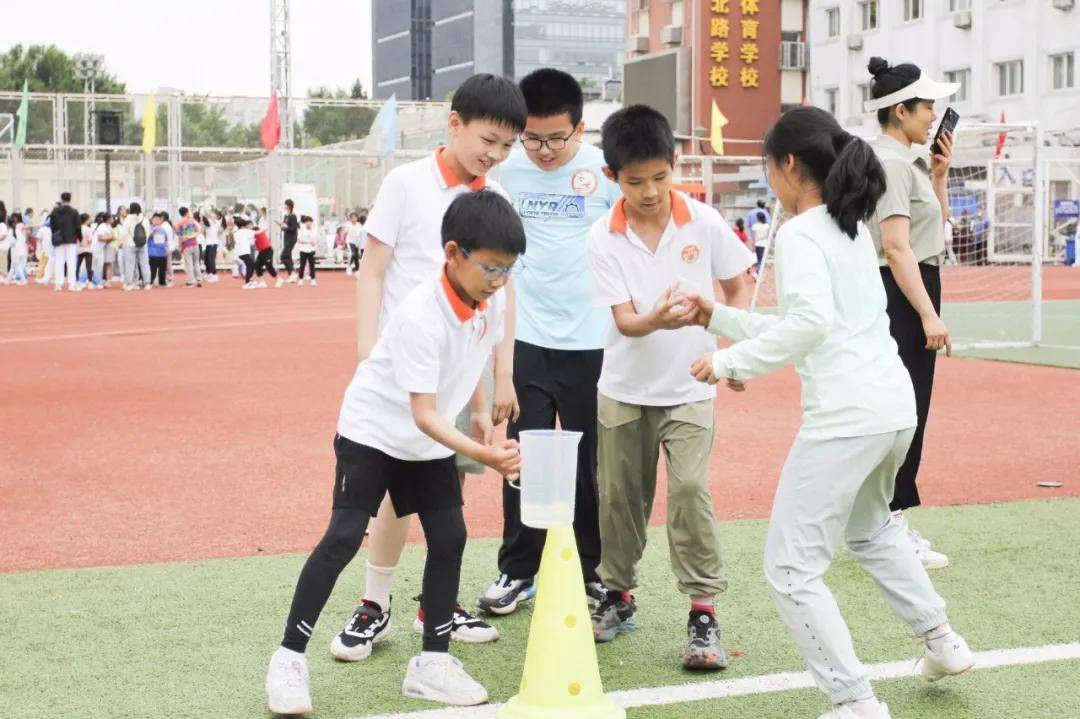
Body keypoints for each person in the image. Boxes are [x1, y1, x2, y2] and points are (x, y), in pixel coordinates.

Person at [685, 105, 973, 719]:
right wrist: (716, 316)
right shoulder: (848, 228)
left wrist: (731, 363)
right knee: (871, 529)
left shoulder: (799, 233)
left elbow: (809, 326)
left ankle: (855, 701)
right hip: (891, 408)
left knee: (790, 570)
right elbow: (809, 324)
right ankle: (942, 643)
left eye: (768, 168)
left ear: (788, 165)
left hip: (847, 417)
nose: (768, 181)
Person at [265, 191, 526, 713]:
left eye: (509, 269)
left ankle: (431, 664)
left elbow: (475, 356)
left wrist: (486, 404)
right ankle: (289, 659)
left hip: (423, 440)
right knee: (342, 536)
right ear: (453, 253)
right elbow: (425, 414)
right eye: (491, 267)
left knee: (449, 536)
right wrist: (484, 452)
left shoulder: (487, 299)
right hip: (374, 431)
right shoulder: (419, 317)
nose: (500, 279)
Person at [330, 73, 526, 664]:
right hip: (403, 371)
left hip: (462, 370)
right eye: (487, 139)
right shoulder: (406, 184)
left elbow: (503, 294)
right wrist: (368, 353)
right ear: (455, 123)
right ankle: (374, 603)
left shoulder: (496, 201)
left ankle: (433, 607)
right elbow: (373, 271)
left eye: (506, 146)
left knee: (448, 493)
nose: (493, 154)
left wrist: (502, 376)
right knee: (394, 495)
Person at [585, 105, 754, 670]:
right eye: (636, 181)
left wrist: (732, 353)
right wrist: (657, 318)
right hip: (624, 390)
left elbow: (737, 284)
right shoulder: (601, 238)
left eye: (660, 176)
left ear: (674, 165)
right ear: (613, 178)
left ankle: (702, 612)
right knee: (618, 500)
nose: (651, 190)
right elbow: (627, 322)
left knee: (688, 491)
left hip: (692, 386)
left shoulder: (704, 222)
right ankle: (618, 596)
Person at [477, 68, 620, 616]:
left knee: (591, 466)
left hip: (594, 342)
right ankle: (518, 570)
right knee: (525, 460)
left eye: (556, 138)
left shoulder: (604, 174)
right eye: (532, 138)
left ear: (580, 129)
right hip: (526, 340)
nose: (542, 150)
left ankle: (593, 573)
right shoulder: (506, 171)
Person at [863, 56, 958, 570]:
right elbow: (897, 248)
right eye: (926, 108)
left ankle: (882, 518)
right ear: (900, 111)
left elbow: (930, 230)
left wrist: (939, 176)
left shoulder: (907, 161)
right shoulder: (894, 163)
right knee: (907, 409)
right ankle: (891, 521)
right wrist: (928, 315)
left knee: (903, 407)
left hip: (907, 286)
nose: (932, 117)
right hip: (903, 292)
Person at [48, 192, 81, 292]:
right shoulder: (74, 211)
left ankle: (58, 284)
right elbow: (78, 226)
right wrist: (79, 237)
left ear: (61, 199)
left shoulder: (55, 211)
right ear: (70, 199)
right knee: (71, 261)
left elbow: (52, 224)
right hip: (71, 238)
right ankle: (71, 284)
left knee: (59, 261)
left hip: (59, 239)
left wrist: (55, 234)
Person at [122, 202, 152, 291]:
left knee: (130, 265)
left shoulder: (128, 219)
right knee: (145, 264)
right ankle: (147, 283)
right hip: (143, 244)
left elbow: (124, 233)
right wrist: (145, 241)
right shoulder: (144, 219)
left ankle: (130, 283)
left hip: (130, 244)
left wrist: (122, 240)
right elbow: (148, 231)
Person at [175, 207, 203, 288]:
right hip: (195, 243)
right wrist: (193, 236)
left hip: (186, 245)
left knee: (189, 263)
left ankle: (190, 281)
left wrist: (180, 246)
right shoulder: (192, 221)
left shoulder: (179, 224)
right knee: (196, 262)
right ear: (187, 213)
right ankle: (199, 279)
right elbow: (199, 230)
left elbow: (179, 236)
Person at [252, 222, 283, 288]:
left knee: (268, 266)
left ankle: (278, 279)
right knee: (257, 265)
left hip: (268, 251)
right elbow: (257, 247)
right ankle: (262, 282)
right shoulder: (257, 235)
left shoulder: (259, 234)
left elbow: (257, 246)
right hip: (262, 252)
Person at [277, 199, 300, 283]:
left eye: (285, 204)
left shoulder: (293, 216)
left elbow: (293, 228)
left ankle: (293, 272)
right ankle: (291, 274)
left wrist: (285, 227)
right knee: (288, 256)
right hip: (286, 237)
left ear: (289, 206)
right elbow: (284, 227)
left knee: (283, 256)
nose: (284, 206)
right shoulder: (286, 216)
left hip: (292, 238)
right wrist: (280, 225)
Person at [147, 213, 170, 288]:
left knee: (162, 270)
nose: (156, 221)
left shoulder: (163, 230)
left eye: (158, 220)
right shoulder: (149, 228)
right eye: (155, 219)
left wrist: (167, 249)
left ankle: (162, 282)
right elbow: (146, 238)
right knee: (152, 270)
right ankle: (150, 282)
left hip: (162, 253)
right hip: (153, 253)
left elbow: (166, 241)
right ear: (152, 220)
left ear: (161, 221)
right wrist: (152, 232)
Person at [92, 212, 115, 288]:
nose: (113, 219)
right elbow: (100, 238)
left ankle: (98, 281)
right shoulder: (102, 226)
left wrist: (111, 238)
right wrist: (110, 237)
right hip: (96, 248)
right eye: (111, 218)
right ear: (108, 219)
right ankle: (95, 281)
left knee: (99, 265)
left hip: (101, 248)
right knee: (96, 265)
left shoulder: (107, 226)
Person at [234, 217, 258, 289]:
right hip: (244, 252)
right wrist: (265, 229)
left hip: (240, 253)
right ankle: (247, 282)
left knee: (250, 265)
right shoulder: (245, 231)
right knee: (250, 265)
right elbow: (257, 232)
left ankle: (248, 280)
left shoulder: (236, 233)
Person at [296, 215, 318, 286]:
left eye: (310, 222)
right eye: (307, 222)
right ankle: (301, 280)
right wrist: (308, 242)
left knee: (312, 265)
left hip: (311, 250)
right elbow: (299, 240)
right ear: (305, 223)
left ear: (312, 222)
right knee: (302, 265)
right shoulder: (301, 230)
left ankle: (313, 280)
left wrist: (315, 242)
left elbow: (316, 239)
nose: (308, 223)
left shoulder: (315, 230)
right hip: (303, 250)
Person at [203, 209, 224, 282]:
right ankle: (209, 273)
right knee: (206, 259)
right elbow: (204, 218)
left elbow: (213, 219)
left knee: (211, 259)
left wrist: (210, 215)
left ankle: (214, 275)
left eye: (213, 213)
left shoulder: (217, 222)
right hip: (207, 243)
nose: (211, 214)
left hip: (213, 243)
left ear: (217, 216)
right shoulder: (209, 221)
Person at [76, 213, 95, 289]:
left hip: (79, 249)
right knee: (89, 267)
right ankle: (90, 282)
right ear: (86, 220)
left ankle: (76, 281)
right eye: (89, 219)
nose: (90, 220)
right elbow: (90, 240)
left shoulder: (78, 228)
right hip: (88, 249)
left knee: (77, 266)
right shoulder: (88, 229)